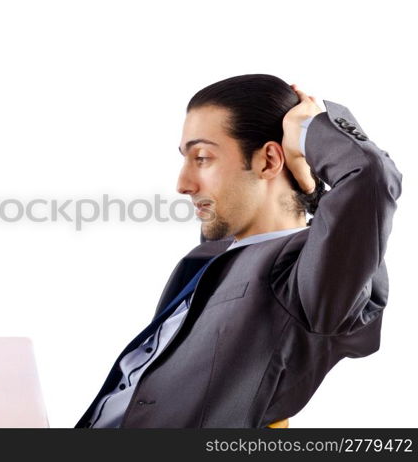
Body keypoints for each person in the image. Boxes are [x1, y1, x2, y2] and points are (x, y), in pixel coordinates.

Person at [75, 74, 403, 428]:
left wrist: (310, 128)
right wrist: (307, 185)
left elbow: (369, 178)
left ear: (267, 161)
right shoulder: (213, 258)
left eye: (202, 158)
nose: (182, 184)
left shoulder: (304, 280)